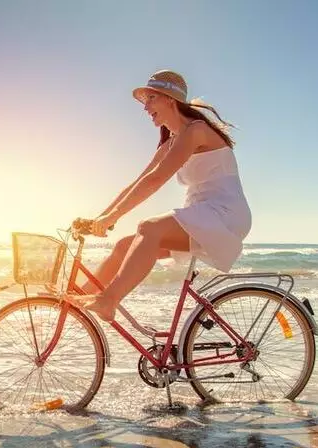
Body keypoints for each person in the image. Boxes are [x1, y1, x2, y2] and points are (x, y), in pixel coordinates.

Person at [69, 70, 252, 322]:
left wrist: (113, 216)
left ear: (169, 99)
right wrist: (102, 217)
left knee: (149, 228)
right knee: (125, 246)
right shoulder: (171, 143)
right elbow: (139, 181)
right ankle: (76, 301)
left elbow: (155, 180)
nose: (145, 107)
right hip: (202, 214)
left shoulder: (196, 131)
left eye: (151, 98)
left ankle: (108, 301)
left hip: (225, 214)